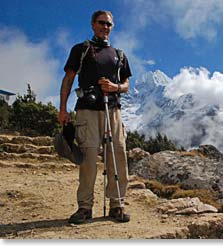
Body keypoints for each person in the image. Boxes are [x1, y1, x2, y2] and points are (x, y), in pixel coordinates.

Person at [58, 10, 131, 224]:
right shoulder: (81, 50)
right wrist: (62, 109)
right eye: (101, 23)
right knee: (88, 159)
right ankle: (85, 207)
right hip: (86, 110)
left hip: (113, 110)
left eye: (108, 24)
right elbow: (68, 79)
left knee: (118, 156)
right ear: (92, 24)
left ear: (112, 26)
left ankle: (117, 204)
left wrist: (114, 86)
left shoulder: (119, 54)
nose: (105, 27)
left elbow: (126, 84)